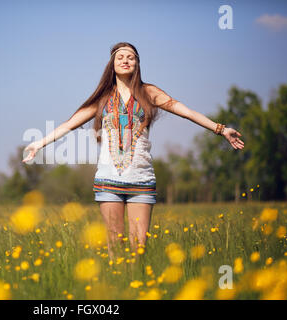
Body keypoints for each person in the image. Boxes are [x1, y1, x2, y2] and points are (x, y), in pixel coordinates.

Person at [22, 42, 244, 259]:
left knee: (139, 250)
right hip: (108, 180)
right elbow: (69, 124)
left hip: (142, 181)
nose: (125, 60)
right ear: (112, 64)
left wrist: (220, 129)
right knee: (115, 249)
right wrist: (38, 144)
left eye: (130, 57)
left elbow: (186, 111)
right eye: (120, 57)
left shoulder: (149, 92)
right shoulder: (103, 98)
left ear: (137, 64)